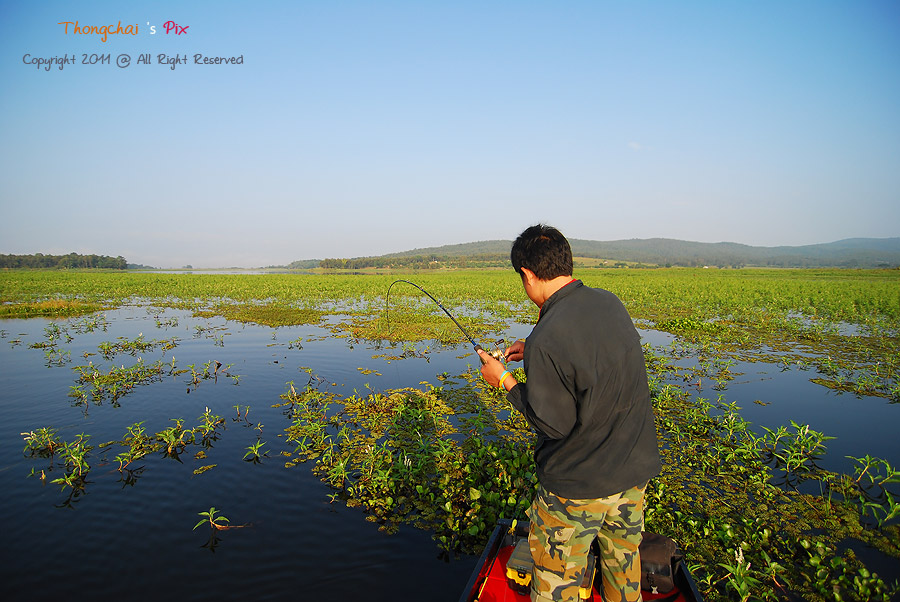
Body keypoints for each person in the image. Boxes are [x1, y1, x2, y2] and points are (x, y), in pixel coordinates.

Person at [478, 224, 661, 602]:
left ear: (528, 275)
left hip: (577, 487)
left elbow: (552, 424)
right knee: (623, 572)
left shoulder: (548, 335)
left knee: (554, 587)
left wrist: (505, 382)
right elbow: (588, 354)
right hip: (632, 475)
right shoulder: (609, 303)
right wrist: (531, 347)